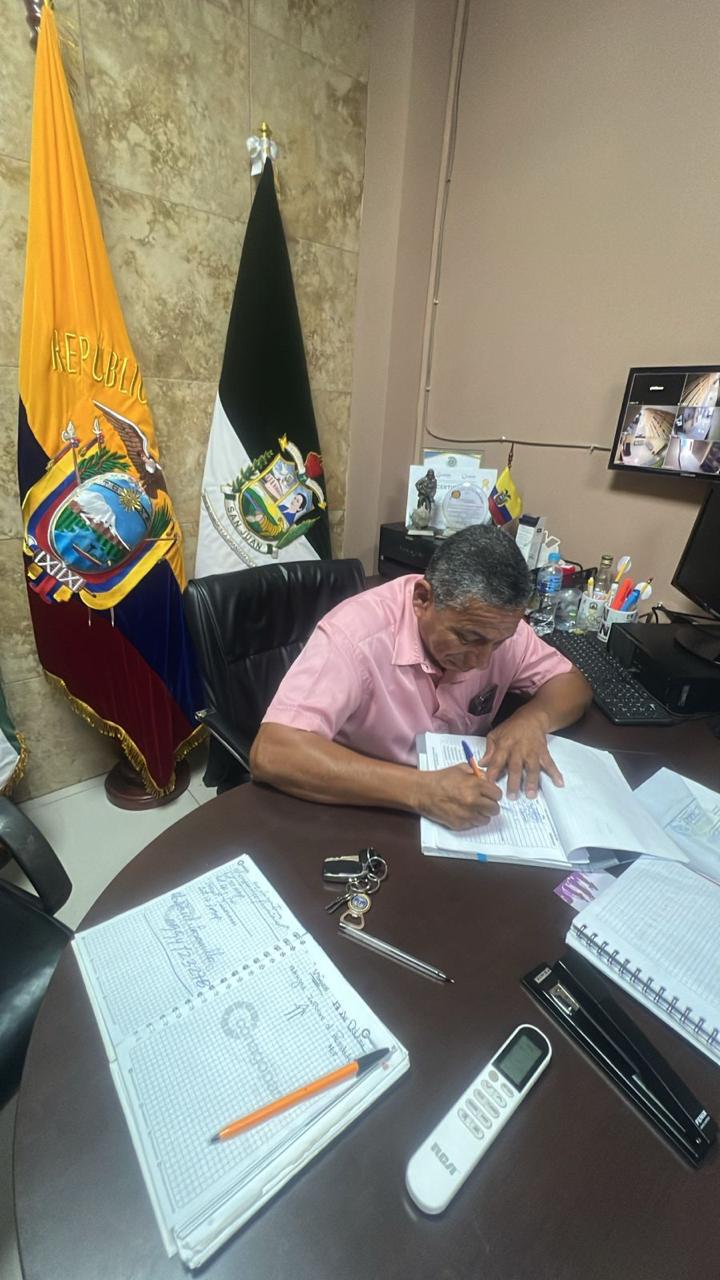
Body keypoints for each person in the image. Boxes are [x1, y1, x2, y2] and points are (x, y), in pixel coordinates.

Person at [250, 524, 591, 830]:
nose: (483, 660)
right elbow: (273, 752)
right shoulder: (354, 636)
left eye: (498, 643)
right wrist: (420, 790)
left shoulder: (495, 626)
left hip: (458, 801)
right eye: (468, 638)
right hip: (362, 809)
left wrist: (533, 719)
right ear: (422, 599)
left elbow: (572, 683)